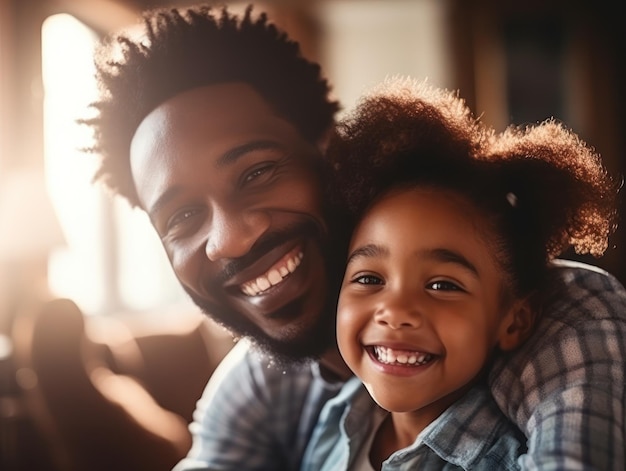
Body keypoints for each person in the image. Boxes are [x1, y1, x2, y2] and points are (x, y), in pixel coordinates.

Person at [81, 4, 626, 470]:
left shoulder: (563, 314)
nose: (233, 238)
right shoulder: (264, 381)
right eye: (180, 218)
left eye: (257, 172)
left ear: (331, 153)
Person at [300, 77, 619, 470]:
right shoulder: (334, 419)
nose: (395, 310)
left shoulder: (510, 459)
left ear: (514, 320)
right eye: (369, 279)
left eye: (442, 285)